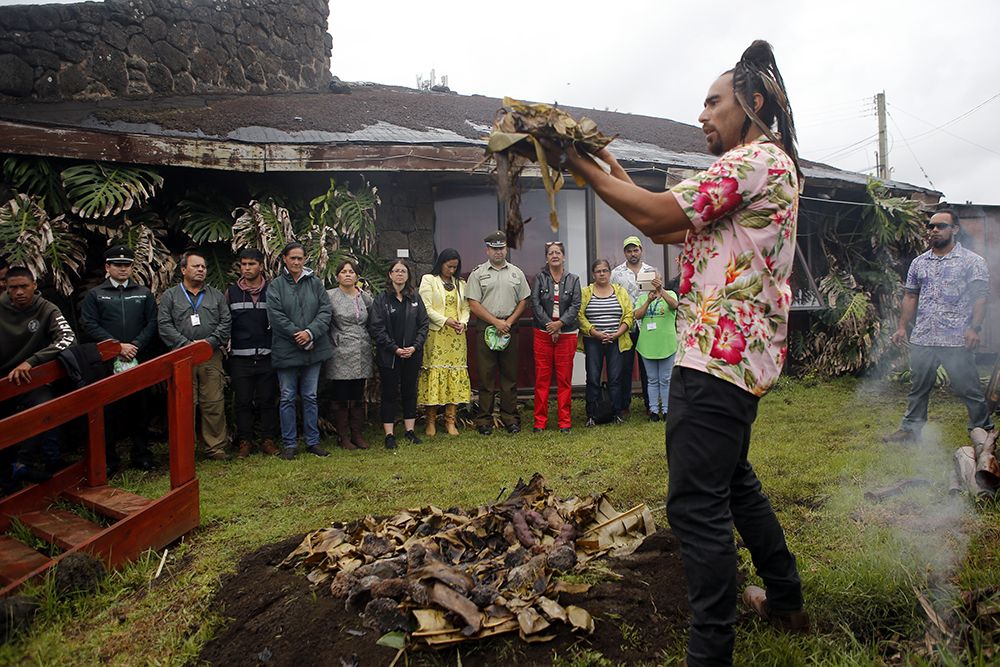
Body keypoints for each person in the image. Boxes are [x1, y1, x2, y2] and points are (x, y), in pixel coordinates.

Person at [553, 40, 809, 665]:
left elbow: (657, 211)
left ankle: (711, 651)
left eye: (713, 102)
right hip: (735, 359)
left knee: (696, 506)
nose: (701, 114)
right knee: (734, 483)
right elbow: (665, 224)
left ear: (752, 105)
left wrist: (576, 164)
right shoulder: (758, 168)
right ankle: (785, 600)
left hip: (713, 359)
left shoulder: (753, 161)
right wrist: (605, 160)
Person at [884, 209, 993, 442]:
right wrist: (902, 327)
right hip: (924, 337)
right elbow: (910, 296)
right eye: (931, 226)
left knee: (969, 389)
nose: (934, 230)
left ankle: (983, 432)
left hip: (956, 339)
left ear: (955, 229)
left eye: (940, 226)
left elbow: (980, 297)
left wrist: (975, 328)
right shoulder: (919, 263)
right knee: (918, 387)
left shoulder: (972, 262)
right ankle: (910, 431)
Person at [80, 245, 158, 471]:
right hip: (108, 361)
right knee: (110, 411)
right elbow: (89, 323)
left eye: (127, 265)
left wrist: (135, 345)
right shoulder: (96, 294)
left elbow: (152, 322)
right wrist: (116, 346)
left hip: (137, 358)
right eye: (118, 265)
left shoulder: (143, 293)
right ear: (108, 267)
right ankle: (109, 459)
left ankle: (142, 454)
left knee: (140, 409)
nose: (123, 269)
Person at [0, 266, 76, 491]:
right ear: (6, 287)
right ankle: (9, 471)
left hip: (32, 376)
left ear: (34, 285)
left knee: (44, 409)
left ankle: (23, 462)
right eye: (14, 287)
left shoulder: (46, 308)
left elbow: (67, 337)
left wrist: (33, 361)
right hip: (3, 378)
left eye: (24, 286)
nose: (19, 292)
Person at [157, 250, 231, 460]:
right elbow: (164, 325)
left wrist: (208, 343)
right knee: (184, 403)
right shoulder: (171, 296)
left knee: (213, 402)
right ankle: (184, 450)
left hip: (210, 355)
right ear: (183, 270)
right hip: (181, 356)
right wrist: (186, 345)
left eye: (203, 267)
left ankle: (215, 448)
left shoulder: (216, 295)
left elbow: (226, 323)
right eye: (195, 266)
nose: (201, 270)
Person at [267, 242, 334, 460]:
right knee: (287, 397)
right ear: (284, 259)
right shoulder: (276, 285)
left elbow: (325, 310)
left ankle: (312, 441)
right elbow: (275, 316)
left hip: (313, 349)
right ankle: (289, 443)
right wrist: (298, 334)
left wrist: (310, 332)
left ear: (305, 260)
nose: (296, 262)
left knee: (310, 396)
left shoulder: (315, 283)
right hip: (286, 348)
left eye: (300, 258)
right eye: (292, 258)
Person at [465, 231, 531, 435]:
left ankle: (510, 418)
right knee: (486, 376)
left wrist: (508, 322)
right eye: (494, 248)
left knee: (509, 376)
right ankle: (484, 420)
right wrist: (496, 322)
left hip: (510, 328)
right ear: (487, 250)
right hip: (487, 327)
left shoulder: (516, 273)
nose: (498, 252)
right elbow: (473, 303)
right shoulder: (478, 273)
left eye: (501, 248)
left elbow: (524, 300)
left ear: (506, 249)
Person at [369, 260, 429, 449]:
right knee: (389, 393)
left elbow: (424, 324)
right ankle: (389, 434)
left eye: (403, 271)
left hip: (412, 354)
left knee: (410, 392)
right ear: (390, 275)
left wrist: (415, 346)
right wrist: (394, 348)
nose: (400, 274)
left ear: (408, 275)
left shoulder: (415, 298)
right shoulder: (381, 299)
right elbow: (377, 328)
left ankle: (410, 431)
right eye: (396, 271)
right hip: (389, 356)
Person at [227, 248, 280, 459]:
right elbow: (225, 322)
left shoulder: (273, 291)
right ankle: (245, 441)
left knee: (268, 400)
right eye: (243, 264)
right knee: (242, 402)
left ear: (260, 265)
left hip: (268, 355)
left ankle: (268, 440)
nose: (247, 268)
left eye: (251, 264)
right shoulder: (231, 292)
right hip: (240, 357)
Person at [417, 248, 471, 437]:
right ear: (441, 264)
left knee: (454, 376)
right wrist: (445, 320)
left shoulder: (461, 283)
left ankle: (450, 420)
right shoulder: (428, 280)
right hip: (436, 335)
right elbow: (426, 308)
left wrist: (462, 323)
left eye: (455, 267)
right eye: (449, 267)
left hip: (456, 337)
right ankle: (430, 421)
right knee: (434, 373)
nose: (452, 271)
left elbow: (465, 307)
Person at [530, 241, 581, 433]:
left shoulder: (574, 279)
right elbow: (535, 304)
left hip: (566, 334)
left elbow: (576, 306)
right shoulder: (539, 278)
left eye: (558, 252)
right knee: (542, 379)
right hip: (542, 333)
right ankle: (540, 422)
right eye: (550, 253)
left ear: (564, 256)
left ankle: (564, 422)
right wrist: (550, 326)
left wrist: (559, 324)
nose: (554, 256)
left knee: (564, 380)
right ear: (546, 258)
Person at [325, 258, 374, 450]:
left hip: (361, 350)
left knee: (357, 395)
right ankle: (342, 436)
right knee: (341, 395)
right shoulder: (330, 296)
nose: (347, 274)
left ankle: (357, 434)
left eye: (351, 271)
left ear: (356, 276)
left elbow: (374, 318)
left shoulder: (364, 296)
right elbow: (323, 321)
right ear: (337, 276)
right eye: (343, 271)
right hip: (340, 351)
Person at [578, 259, 633, 427]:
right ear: (593, 274)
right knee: (593, 378)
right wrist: (595, 333)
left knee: (616, 378)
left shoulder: (620, 291)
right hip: (593, 341)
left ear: (610, 273)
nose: (602, 274)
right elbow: (580, 316)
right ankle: (592, 415)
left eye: (605, 270)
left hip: (616, 340)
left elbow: (629, 315)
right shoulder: (586, 292)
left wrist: (616, 334)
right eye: (598, 271)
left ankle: (616, 412)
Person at [611, 235, 658, 418]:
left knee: (647, 367)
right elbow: (612, 296)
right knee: (625, 367)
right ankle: (624, 405)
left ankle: (650, 404)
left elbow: (656, 294)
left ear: (641, 250)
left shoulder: (650, 271)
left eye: (635, 250)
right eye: (629, 250)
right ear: (625, 253)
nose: (633, 253)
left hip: (647, 324)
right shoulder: (616, 273)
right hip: (626, 325)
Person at [633, 273, 679, 421]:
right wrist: (648, 300)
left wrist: (661, 291)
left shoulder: (670, 293)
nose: (654, 281)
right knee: (652, 379)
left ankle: (667, 410)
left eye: (656, 277)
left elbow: (674, 305)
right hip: (648, 343)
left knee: (665, 379)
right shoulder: (642, 297)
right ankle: (653, 410)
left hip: (667, 343)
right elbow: (637, 315)